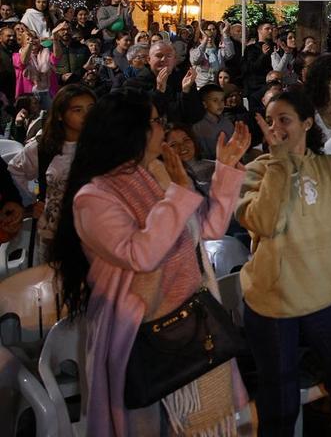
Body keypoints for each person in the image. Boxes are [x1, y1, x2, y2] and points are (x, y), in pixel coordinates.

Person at [49, 89, 250, 435]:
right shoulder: (93, 197)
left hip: (192, 323)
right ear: (131, 130)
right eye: (157, 122)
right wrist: (179, 193)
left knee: (208, 425)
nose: (164, 130)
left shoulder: (155, 173)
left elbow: (206, 228)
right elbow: (141, 254)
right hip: (141, 336)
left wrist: (226, 171)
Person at [239, 90, 331, 436]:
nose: (276, 127)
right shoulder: (255, 171)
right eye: (271, 120)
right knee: (280, 406)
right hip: (273, 304)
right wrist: (279, 162)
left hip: (324, 298)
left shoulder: (330, 167)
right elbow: (265, 222)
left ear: (307, 123)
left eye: (285, 119)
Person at [5, 84, 96, 260]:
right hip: (55, 233)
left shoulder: (104, 146)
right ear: (61, 115)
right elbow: (15, 171)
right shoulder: (43, 148)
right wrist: (32, 201)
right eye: (77, 110)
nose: (87, 115)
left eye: (91, 108)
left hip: (96, 232)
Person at [192, 83, 236, 161]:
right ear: (204, 104)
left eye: (222, 100)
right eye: (215, 100)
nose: (220, 104)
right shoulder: (198, 127)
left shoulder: (228, 123)